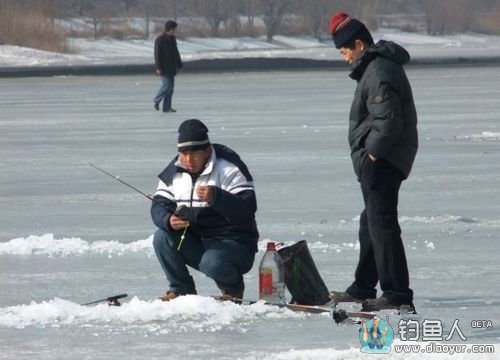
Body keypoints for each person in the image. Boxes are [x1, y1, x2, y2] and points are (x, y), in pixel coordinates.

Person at [328, 12, 418, 311]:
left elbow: (389, 120)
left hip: (384, 160)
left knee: (381, 223)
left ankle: (396, 293)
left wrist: (373, 155)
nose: (345, 59)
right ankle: (363, 285)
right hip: (382, 158)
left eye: (345, 52)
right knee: (370, 222)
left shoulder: (378, 70)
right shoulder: (374, 68)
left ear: (359, 44)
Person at [151, 119, 259, 301]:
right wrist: (168, 220)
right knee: (162, 237)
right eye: (184, 154)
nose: (188, 160)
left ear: (207, 151)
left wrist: (217, 197)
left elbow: (247, 209)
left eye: (194, 154)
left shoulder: (229, 169)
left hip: (235, 244)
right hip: (198, 242)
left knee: (212, 262)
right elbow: (158, 204)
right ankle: (181, 288)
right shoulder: (174, 171)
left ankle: (233, 289)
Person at [153, 20, 183, 113]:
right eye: (174, 29)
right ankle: (156, 99)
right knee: (166, 85)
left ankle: (167, 107)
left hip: (172, 67)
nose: (175, 31)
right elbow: (157, 55)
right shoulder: (160, 40)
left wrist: (179, 64)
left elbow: (176, 53)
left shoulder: (173, 39)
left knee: (170, 89)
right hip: (163, 67)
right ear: (170, 29)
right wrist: (158, 67)